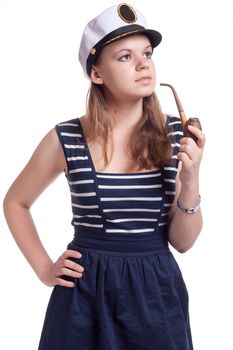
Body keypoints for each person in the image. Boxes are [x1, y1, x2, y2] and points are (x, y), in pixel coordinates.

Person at [3, 3, 205, 350]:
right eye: (124, 57)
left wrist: (191, 179)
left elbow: (183, 243)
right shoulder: (66, 138)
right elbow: (15, 202)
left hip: (155, 296)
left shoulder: (176, 134)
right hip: (83, 296)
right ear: (97, 73)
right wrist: (43, 268)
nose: (143, 64)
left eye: (147, 53)